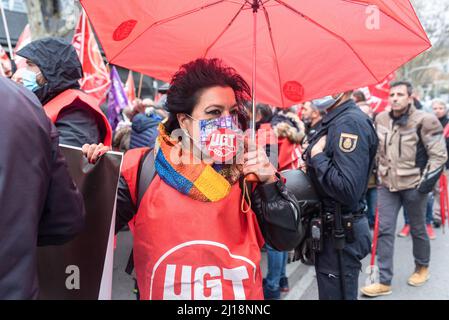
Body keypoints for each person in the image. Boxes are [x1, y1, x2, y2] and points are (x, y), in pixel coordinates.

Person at [82, 58, 303, 300]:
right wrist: (94, 176)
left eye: (232, 112)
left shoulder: (250, 171)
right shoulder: (142, 168)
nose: (226, 121)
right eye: (214, 112)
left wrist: (270, 184)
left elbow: (285, 239)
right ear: (184, 121)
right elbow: (90, 230)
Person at [0, 77, 85, 299]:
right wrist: (19, 234)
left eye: (31, 64)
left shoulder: (74, 108)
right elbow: (66, 219)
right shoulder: (26, 103)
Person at [361, 81, 447, 297]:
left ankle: (422, 267)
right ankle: (384, 280)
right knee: (384, 230)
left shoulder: (426, 120)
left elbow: (439, 156)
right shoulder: (380, 118)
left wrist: (423, 186)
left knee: (418, 229)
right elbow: (377, 150)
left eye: (400, 94)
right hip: (387, 186)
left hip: (414, 186)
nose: (395, 98)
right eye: (392, 94)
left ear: (410, 97)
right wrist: (376, 172)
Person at [302, 90, 378, 300]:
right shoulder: (335, 119)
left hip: (341, 232)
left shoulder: (349, 123)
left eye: (327, 84)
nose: (319, 90)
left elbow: (347, 189)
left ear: (346, 89)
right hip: (332, 229)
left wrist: (317, 157)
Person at [12, 37, 112, 147]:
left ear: (49, 70)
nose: (24, 71)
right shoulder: (42, 100)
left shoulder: (77, 114)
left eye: (30, 65)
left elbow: (65, 156)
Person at [430, 99, 449, 228]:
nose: (438, 110)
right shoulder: (428, 123)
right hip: (429, 162)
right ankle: (428, 216)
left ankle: (437, 215)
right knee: (428, 190)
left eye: (440, 108)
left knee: (439, 190)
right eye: (435, 108)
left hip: (444, 163)